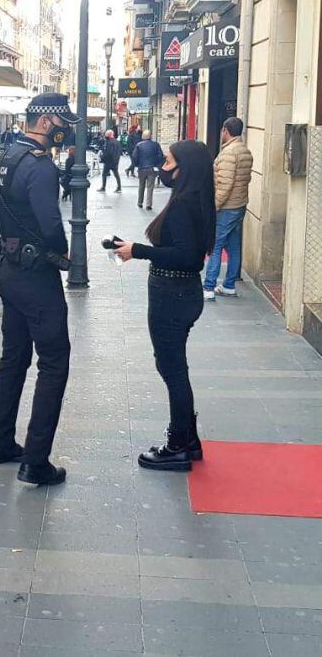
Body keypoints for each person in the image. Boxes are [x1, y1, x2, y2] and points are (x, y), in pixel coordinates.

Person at [0, 92, 76, 486]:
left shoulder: (6, 155)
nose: (66, 130)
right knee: (54, 360)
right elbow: (52, 226)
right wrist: (62, 255)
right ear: (47, 122)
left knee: (14, 357)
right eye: (63, 123)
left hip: (6, 266)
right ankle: (36, 460)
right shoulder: (40, 167)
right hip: (34, 274)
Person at [112, 140, 215, 471]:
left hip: (174, 294)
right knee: (174, 367)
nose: (163, 168)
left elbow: (187, 256)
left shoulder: (185, 203)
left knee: (172, 369)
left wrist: (137, 250)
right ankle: (189, 438)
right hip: (179, 293)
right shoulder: (194, 198)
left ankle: (177, 445)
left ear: (185, 168)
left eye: (168, 162)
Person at [204, 117, 253, 300]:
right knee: (233, 246)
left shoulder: (228, 154)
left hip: (226, 207)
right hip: (240, 205)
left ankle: (208, 287)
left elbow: (224, 184)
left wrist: (214, 207)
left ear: (225, 130)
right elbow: (244, 180)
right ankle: (229, 285)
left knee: (216, 246)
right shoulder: (245, 151)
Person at [134, 130, 163, 210]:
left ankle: (140, 202)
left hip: (142, 168)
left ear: (143, 137)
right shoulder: (156, 145)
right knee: (150, 186)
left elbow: (135, 157)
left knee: (141, 185)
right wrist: (156, 164)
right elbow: (160, 156)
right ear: (150, 136)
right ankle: (148, 204)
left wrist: (137, 165)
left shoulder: (139, 145)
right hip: (152, 168)